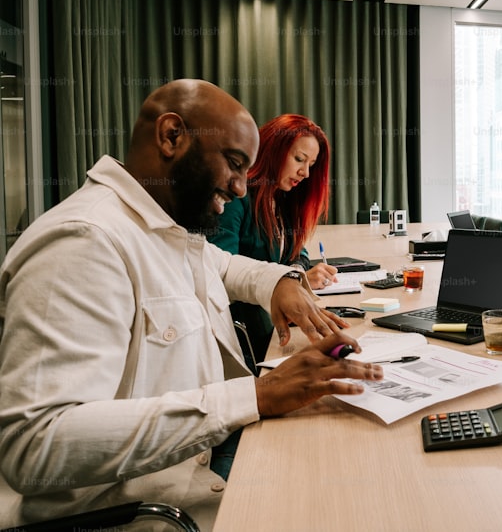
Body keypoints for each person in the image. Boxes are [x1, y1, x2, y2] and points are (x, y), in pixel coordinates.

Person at [0, 79, 383, 530]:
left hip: (201, 456)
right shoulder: (85, 241)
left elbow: (222, 265)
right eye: (235, 164)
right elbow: (36, 446)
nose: (242, 188)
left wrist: (279, 280)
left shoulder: (163, 227)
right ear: (171, 137)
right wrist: (254, 396)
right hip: (149, 505)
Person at [208, 114, 339, 368]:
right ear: (272, 150)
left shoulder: (283, 198)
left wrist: (297, 275)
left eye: (311, 164)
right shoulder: (237, 198)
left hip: (271, 324)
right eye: (299, 159)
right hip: (243, 334)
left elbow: (298, 252)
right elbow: (219, 270)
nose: (305, 172)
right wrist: (285, 281)